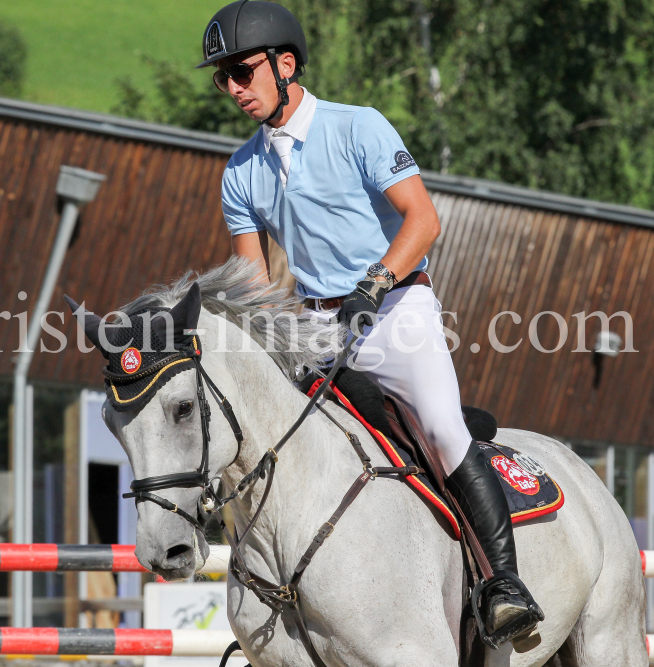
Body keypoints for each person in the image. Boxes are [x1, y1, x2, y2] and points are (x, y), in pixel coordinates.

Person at [198, 0, 542, 645]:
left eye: (242, 72)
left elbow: (422, 220)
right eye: (224, 79)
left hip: (394, 308)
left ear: (286, 63)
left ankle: (504, 584)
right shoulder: (240, 171)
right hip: (316, 328)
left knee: (440, 429)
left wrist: (373, 285)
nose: (235, 89)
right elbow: (254, 284)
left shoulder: (359, 128)